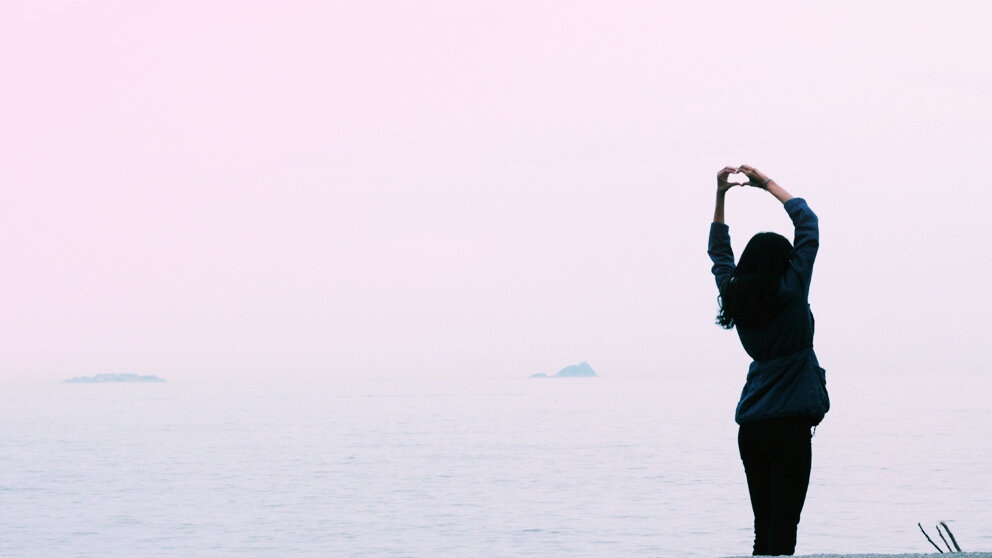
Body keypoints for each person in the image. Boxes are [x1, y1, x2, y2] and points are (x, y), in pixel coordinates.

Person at [708, 165, 830, 556]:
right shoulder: (791, 288)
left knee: (763, 531)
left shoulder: (735, 294)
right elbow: (807, 223)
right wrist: (766, 185)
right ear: (784, 261)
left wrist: (720, 195)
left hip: (752, 426)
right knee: (783, 532)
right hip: (790, 426)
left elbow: (719, 254)